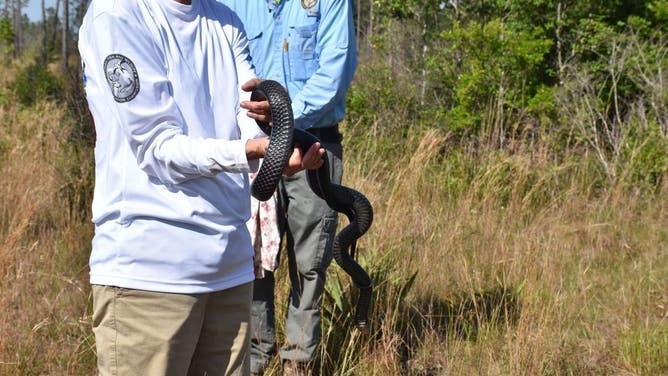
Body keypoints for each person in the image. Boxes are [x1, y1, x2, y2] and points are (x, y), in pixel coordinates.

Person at [78, 0, 324, 374]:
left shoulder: (225, 21)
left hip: (229, 270)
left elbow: (246, 118)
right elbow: (157, 147)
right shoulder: (118, 13)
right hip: (149, 277)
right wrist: (255, 151)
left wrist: (270, 142)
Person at [218, 0, 358, 374]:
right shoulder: (232, 5)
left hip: (314, 145)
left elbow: (334, 74)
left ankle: (299, 360)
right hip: (252, 148)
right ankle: (255, 356)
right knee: (253, 257)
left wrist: (281, 114)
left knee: (311, 261)